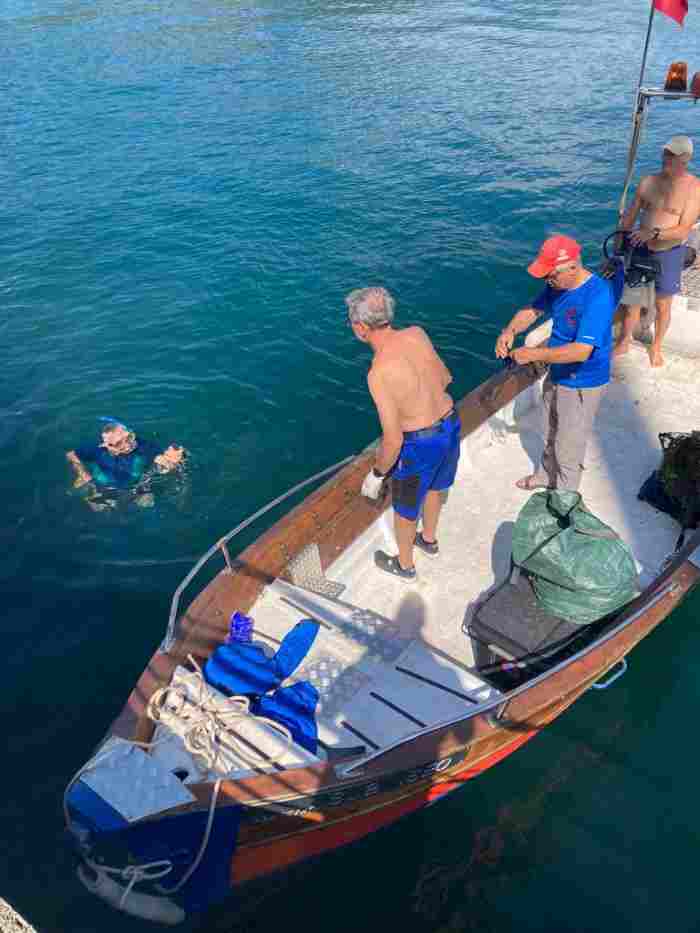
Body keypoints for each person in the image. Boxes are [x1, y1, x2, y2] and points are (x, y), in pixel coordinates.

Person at [346, 286, 460, 581]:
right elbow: (446, 377)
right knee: (436, 487)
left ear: (361, 328)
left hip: (420, 443)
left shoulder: (378, 372)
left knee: (405, 509)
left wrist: (377, 473)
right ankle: (429, 540)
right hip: (450, 423)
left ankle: (405, 565)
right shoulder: (417, 334)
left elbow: (393, 439)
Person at [495, 235, 624, 492]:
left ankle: (565, 501)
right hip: (557, 372)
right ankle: (545, 475)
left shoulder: (598, 296)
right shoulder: (557, 286)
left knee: (569, 446)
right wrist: (509, 331)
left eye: (550, 275)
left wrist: (532, 354)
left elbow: (580, 352)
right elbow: (532, 311)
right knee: (549, 430)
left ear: (573, 267)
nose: (547, 281)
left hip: (582, 383)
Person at [614, 135, 700, 367]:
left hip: (668, 253)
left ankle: (657, 346)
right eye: (666, 153)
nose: (666, 158)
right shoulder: (648, 181)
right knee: (633, 301)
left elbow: (683, 230)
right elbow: (631, 215)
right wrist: (620, 240)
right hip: (640, 248)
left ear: (686, 158)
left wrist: (654, 233)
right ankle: (624, 340)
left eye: (672, 155)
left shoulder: (694, 189)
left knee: (663, 305)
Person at [67, 418, 186, 508]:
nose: (128, 445)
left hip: (135, 487)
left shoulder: (143, 446)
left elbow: (161, 460)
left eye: (129, 437)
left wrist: (172, 461)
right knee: (100, 509)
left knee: (147, 504)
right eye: (119, 443)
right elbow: (71, 455)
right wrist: (82, 473)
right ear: (107, 445)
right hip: (101, 484)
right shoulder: (96, 449)